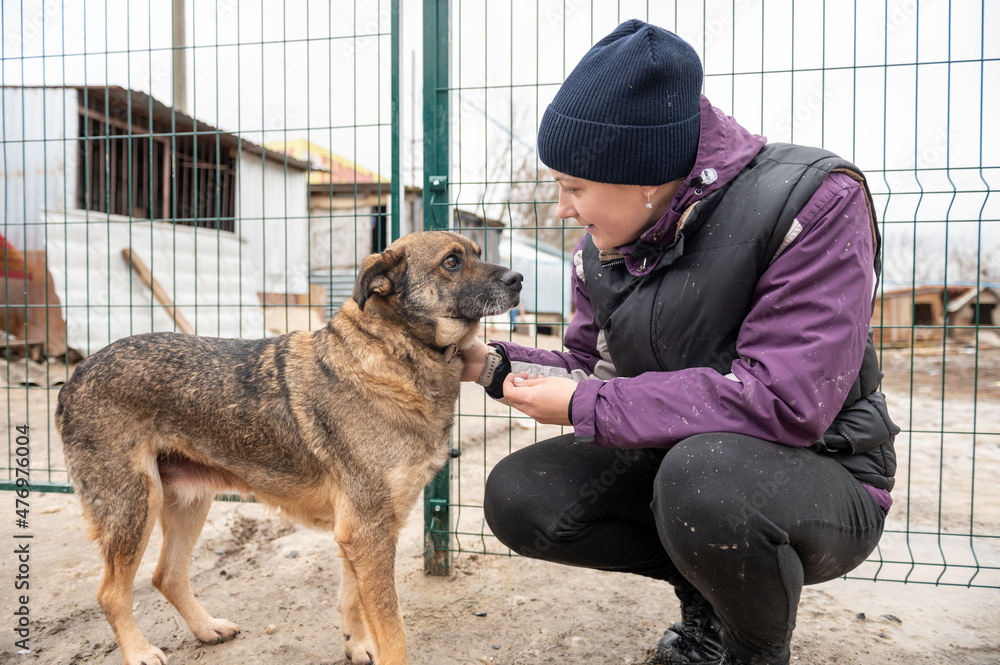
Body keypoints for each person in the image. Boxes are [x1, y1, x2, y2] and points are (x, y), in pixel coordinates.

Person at [461, 19, 898, 665]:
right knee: (526, 495)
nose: (562, 209)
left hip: (825, 472)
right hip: (681, 466)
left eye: (574, 187)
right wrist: (489, 363)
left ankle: (750, 648)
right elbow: (591, 366)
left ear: (644, 176)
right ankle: (709, 610)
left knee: (707, 479)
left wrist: (587, 406)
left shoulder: (812, 201)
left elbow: (785, 400)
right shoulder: (601, 253)